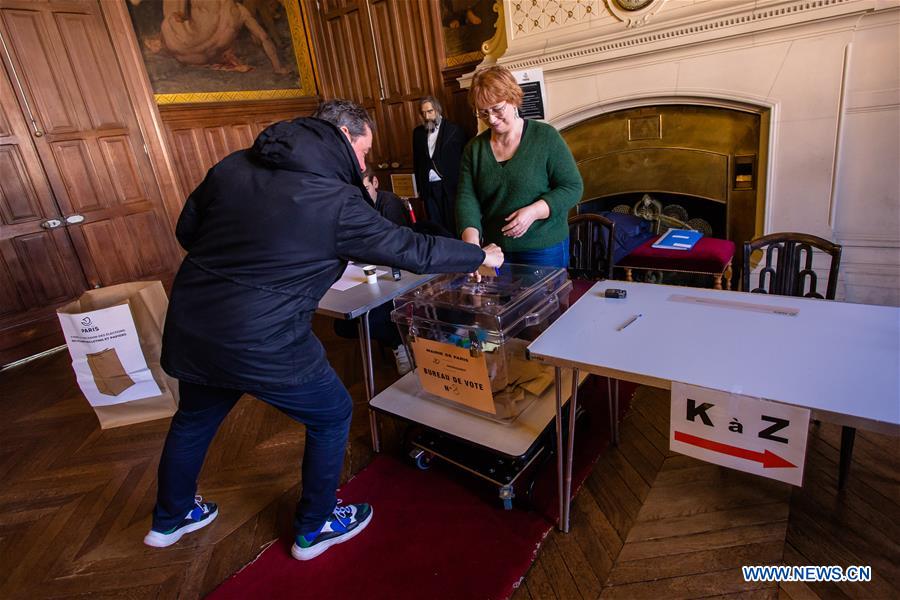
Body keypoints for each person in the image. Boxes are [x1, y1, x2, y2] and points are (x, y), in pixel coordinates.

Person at [144, 99, 503, 560]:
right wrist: (480, 256)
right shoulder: (335, 200)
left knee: (193, 418)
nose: (365, 163)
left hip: (193, 322)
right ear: (346, 137)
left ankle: (170, 518)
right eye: (366, 151)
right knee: (332, 412)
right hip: (264, 336)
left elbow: (188, 229)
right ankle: (315, 526)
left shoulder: (233, 165)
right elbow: (409, 249)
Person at [456, 66, 584, 268]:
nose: (491, 119)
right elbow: (467, 200)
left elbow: (572, 188)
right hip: (495, 251)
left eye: (497, 109)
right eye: (483, 113)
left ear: (513, 99)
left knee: (547, 300)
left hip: (543, 248)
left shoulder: (545, 136)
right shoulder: (474, 149)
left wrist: (534, 211)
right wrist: (471, 243)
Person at [332, 166, 414, 375]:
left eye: (366, 188)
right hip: (365, 271)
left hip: (397, 272)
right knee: (343, 323)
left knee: (376, 316)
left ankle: (399, 345)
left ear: (375, 183)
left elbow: (391, 247)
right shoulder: (353, 207)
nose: (362, 196)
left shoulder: (390, 204)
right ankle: (396, 341)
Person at [412, 96, 466, 235]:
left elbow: (464, 160)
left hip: (449, 186)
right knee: (435, 227)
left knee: (452, 224)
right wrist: (419, 189)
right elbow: (417, 162)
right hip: (428, 188)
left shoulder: (454, 130)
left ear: (437, 110)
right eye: (423, 113)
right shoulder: (417, 133)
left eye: (429, 111)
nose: (426, 116)